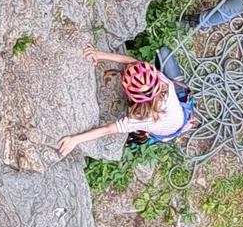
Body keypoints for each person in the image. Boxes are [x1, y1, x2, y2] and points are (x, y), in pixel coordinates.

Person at [57, 47, 189, 159]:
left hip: (165, 131)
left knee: (163, 51)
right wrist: (99, 55)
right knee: (164, 51)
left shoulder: (140, 120)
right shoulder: (165, 83)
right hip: (181, 114)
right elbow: (134, 64)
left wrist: (75, 139)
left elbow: (107, 130)